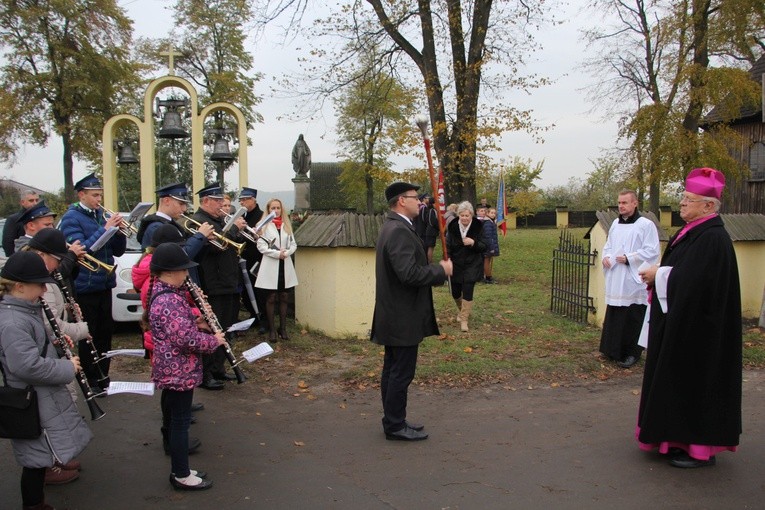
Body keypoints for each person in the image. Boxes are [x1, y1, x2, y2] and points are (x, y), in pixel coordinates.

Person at [638, 167, 741, 469]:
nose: (682, 204)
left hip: (701, 332)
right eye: (683, 198)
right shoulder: (691, 231)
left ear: (709, 206)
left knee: (696, 384)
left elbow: (697, 283)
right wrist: (659, 276)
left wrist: (660, 275)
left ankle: (698, 448)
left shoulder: (712, 238)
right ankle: (673, 439)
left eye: (689, 199)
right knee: (675, 381)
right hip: (682, 323)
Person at [0, 251, 93, 508]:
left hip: (38, 398)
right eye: (39, 284)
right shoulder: (13, 321)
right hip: (29, 400)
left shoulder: (23, 312)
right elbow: (25, 365)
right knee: (33, 461)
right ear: (19, 287)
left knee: (39, 455)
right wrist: (66, 367)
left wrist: (53, 342)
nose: (43, 290)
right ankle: (33, 505)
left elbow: (32, 348)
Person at [371, 182, 452, 441]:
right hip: (401, 315)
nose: (420, 201)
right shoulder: (397, 231)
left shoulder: (397, 227)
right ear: (400, 201)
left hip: (396, 313)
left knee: (393, 370)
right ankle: (395, 425)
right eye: (414, 198)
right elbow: (409, 274)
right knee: (400, 373)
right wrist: (441, 270)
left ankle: (394, 419)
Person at [146, 243, 225, 490]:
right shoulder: (169, 299)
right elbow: (185, 340)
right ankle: (181, 474)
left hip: (172, 369)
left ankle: (181, 468)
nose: (187, 275)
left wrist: (196, 321)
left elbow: (178, 328)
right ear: (170, 272)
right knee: (180, 424)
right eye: (184, 270)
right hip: (177, 371)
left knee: (176, 419)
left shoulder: (166, 293)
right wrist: (214, 340)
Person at [59, 173, 127, 393]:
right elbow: (82, 250)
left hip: (104, 282)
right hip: (85, 285)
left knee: (105, 332)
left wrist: (120, 232)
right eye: (94, 195)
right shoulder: (72, 217)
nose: (99, 200)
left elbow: (118, 251)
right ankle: (90, 378)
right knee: (89, 334)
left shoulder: (100, 215)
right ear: (82, 195)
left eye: (100, 195)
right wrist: (106, 228)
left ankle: (103, 376)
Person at [191, 183, 247, 389]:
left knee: (226, 328)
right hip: (213, 284)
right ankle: (205, 375)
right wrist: (233, 229)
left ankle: (219, 368)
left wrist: (238, 232)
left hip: (228, 282)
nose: (222, 206)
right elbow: (215, 248)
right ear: (206, 201)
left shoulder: (219, 220)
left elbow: (230, 247)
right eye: (217, 202)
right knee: (212, 330)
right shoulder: (199, 222)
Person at [599, 190, 660, 368]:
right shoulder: (615, 224)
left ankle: (631, 353)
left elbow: (652, 251)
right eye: (619, 203)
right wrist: (606, 256)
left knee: (632, 315)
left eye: (625, 203)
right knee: (615, 312)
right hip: (616, 275)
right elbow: (608, 245)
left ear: (635, 203)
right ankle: (611, 350)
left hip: (632, 277)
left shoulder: (645, 225)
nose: (621, 206)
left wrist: (629, 258)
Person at [254, 198, 297, 342]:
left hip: (285, 265)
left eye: (278, 208)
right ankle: (272, 330)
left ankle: (283, 328)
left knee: (284, 296)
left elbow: (293, 244)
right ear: (268, 210)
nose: (276, 211)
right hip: (271, 265)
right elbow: (261, 247)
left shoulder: (286, 225)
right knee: (271, 297)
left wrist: (287, 253)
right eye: (273, 208)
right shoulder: (263, 226)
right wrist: (277, 254)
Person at [446, 201, 486, 332]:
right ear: (458, 215)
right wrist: (448, 260)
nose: (464, 218)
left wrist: (473, 242)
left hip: (472, 264)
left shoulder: (478, 227)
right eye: (462, 215)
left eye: (467, 216)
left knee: (468, 289)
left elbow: (484, 246)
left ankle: (464, 319)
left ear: (471, 216)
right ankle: (463, 311)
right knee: (455, 291)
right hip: (456, 264)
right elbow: (447, 247)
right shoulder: (452, 228)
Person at [238, 187, 265, 325]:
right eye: (240, 200)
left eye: (244, 200)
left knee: (258, 289)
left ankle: (262, 317)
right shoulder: (241, 216)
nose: (241, 203)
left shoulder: (261, 215)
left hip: (257, 258)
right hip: (244, 259)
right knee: (246, 291)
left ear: (253, 200)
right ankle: (253, 314)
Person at [2, 189, 39, 256]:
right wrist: (16, 261)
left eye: (37, 200)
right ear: (22, 202)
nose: (35, 203)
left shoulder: (41, 217)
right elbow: (8, 243)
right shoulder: (13, 219)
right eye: (31, 200)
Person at [482, 207, 500, 284]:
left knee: (488, 261)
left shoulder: (491, 222)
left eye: (494, 213)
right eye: (491, 213)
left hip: (489, 245)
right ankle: (488, 278)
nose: (493, 214)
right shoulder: (488, 223)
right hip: (488, 246)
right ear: (487, 213)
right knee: (486, 261)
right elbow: (488, 236)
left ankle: (486, 276)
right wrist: (491, 247)